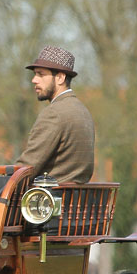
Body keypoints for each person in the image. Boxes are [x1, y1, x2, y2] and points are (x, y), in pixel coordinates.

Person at [15, 45, 95, 183]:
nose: (34, 80)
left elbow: (27, 167)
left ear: (60, 78)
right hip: (77, 202)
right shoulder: (83, 111)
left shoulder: (54, 113)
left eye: (41, 74)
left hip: (49, 201)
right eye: (35, 74)